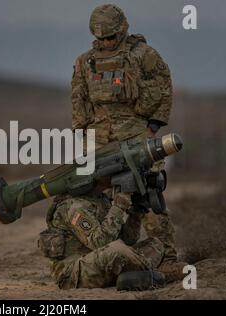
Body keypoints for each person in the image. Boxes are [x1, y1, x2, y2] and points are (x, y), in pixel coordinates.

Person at [70, 4, 186, 282]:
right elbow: (78, 98)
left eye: (111, 36)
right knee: (101, 199)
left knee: (148, 195)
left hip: (136, 135)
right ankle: (112, 257)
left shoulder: (144, 55)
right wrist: (83, 132)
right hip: (99, 140)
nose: (107, 42)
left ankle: (168, 259)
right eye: (102, 38)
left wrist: (153, 126)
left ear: (122, 29)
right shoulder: (85, 61)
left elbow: (164, 88)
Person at [38, 192, 166, 289]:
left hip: (101, 261)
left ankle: (132, 277)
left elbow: (127, 239)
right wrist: (118, 208)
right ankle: (150, 275)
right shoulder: (74, 206)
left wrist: (136, 213)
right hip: (72, 273)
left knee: (155, 245)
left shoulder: (102, 200)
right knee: (118, 249)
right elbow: (100, 243)